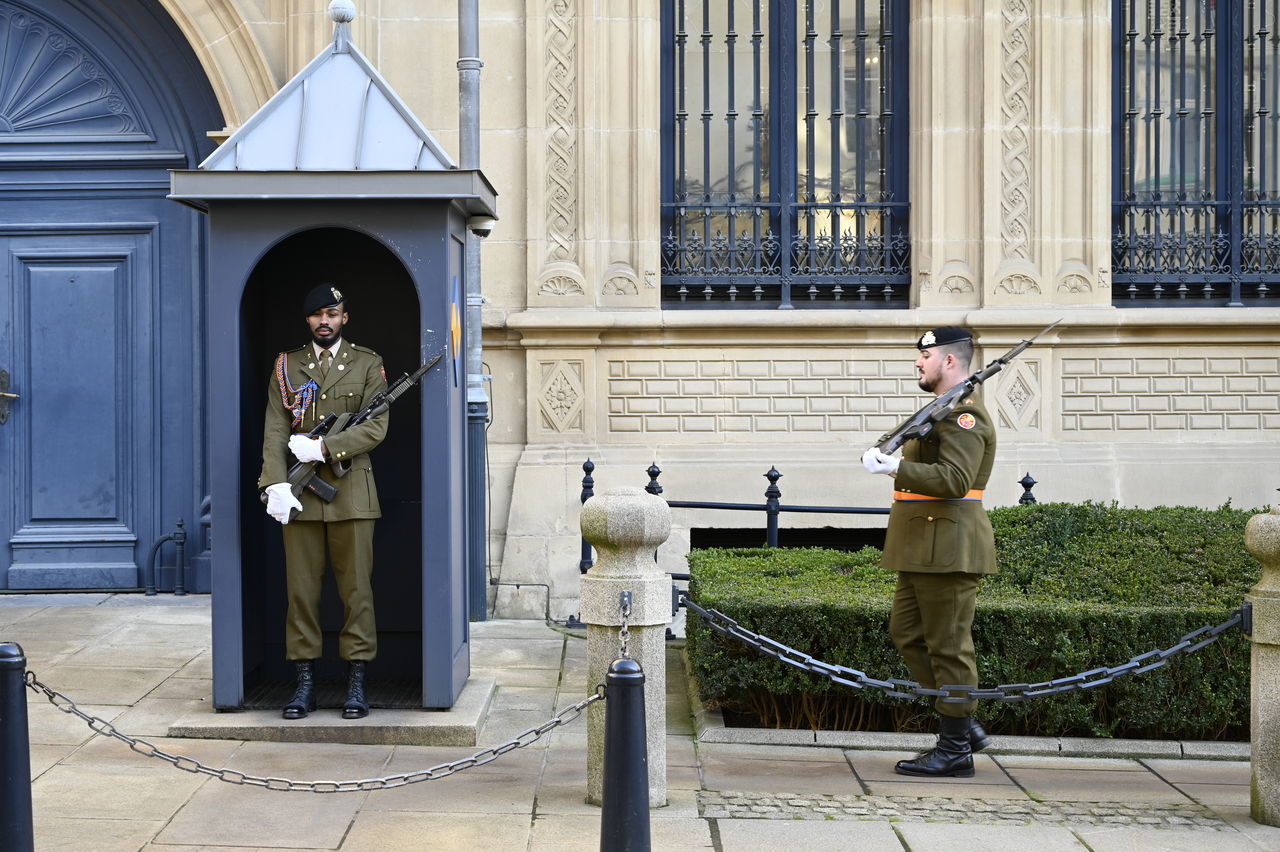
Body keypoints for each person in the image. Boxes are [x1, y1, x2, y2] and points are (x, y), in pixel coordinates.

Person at [860, 325, 997, 778]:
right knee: (907, 633)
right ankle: (963, 721)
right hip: (921, 546)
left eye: (926, 355)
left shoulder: (965, 417)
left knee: (949, 648)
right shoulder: (937, 411)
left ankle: (955, 748)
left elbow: (956, 480)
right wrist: (887, 453)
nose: (918, 362)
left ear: (950, 361)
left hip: (950, 547)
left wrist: (897, 467)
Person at [259, 284, 388, 720]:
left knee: (357, 592)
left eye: (332, 313)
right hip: (300, 497)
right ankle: (305, 685)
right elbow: (276, 429)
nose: (325, 321)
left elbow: (376, 427)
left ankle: (356, 682)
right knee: (301, 593)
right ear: (308, 320)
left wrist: (326, 449)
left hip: (351, 494)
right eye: (317, 314)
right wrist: (274, 483)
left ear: (345, 317)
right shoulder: (287, 366)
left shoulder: (368, 363)